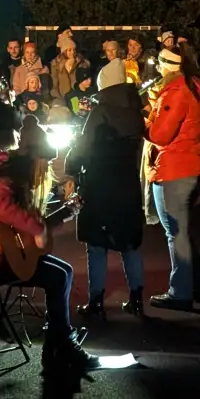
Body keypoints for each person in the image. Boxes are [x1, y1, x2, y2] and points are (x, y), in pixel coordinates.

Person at [0, 105, 98, 378]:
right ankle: (62, 344)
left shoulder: (12, 171)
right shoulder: (5, 174)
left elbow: (21, 229)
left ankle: (58, 340)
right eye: (43, 162)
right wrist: (37, 227)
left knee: (64, 272)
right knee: (57, 278)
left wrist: (63, 214)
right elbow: (0, 209)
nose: (45, 168)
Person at [65, 61, 147, 318]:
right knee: (129, 244)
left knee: (96, 245)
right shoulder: (135, 111)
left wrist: (71, 163)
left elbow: (84, 150)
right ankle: (136, 299)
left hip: (100, 186)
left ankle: (97, 301)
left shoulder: (101, 113)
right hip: (128, 183)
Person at [146, 46, 200, 310]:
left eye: (159, 63)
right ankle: (194, 287)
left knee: (175, 233)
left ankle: (181, 292)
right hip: (190, 166)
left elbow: (160, 135)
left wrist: (146, 119)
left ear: (168, 65)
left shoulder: (175, 92)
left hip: (174, 168)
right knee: (181, 231)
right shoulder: (192, 88)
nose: (157, 68)